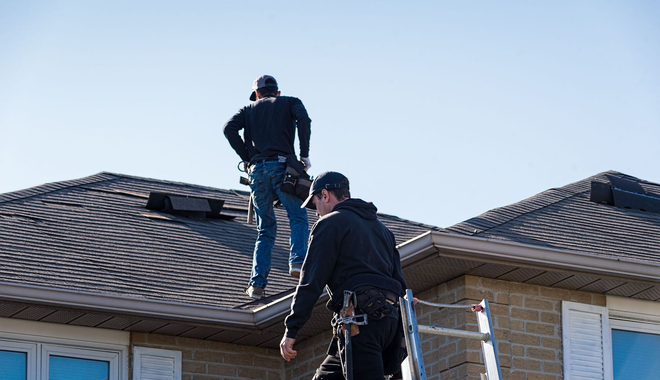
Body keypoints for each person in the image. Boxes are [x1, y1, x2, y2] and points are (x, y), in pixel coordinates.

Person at [280, 171, 407, 380]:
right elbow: (399, 283)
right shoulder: (383, 230)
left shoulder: (330, 224)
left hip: (362, 321)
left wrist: (291, 330)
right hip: (389, 322)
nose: (316, 214)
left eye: (315, 204)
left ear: (325, 195)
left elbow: (311, 282)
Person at [223, 75, 312, 300]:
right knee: (298, 217)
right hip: (282, 168)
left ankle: (257, 285)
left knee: (265, 229)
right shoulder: (290, 102)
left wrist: (248, 156)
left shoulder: (248, 110)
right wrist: (304, 155)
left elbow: (228, 129)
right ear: (277, 92)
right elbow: (304, 120)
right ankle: (298, 262)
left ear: (258, 94)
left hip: (257, 172)